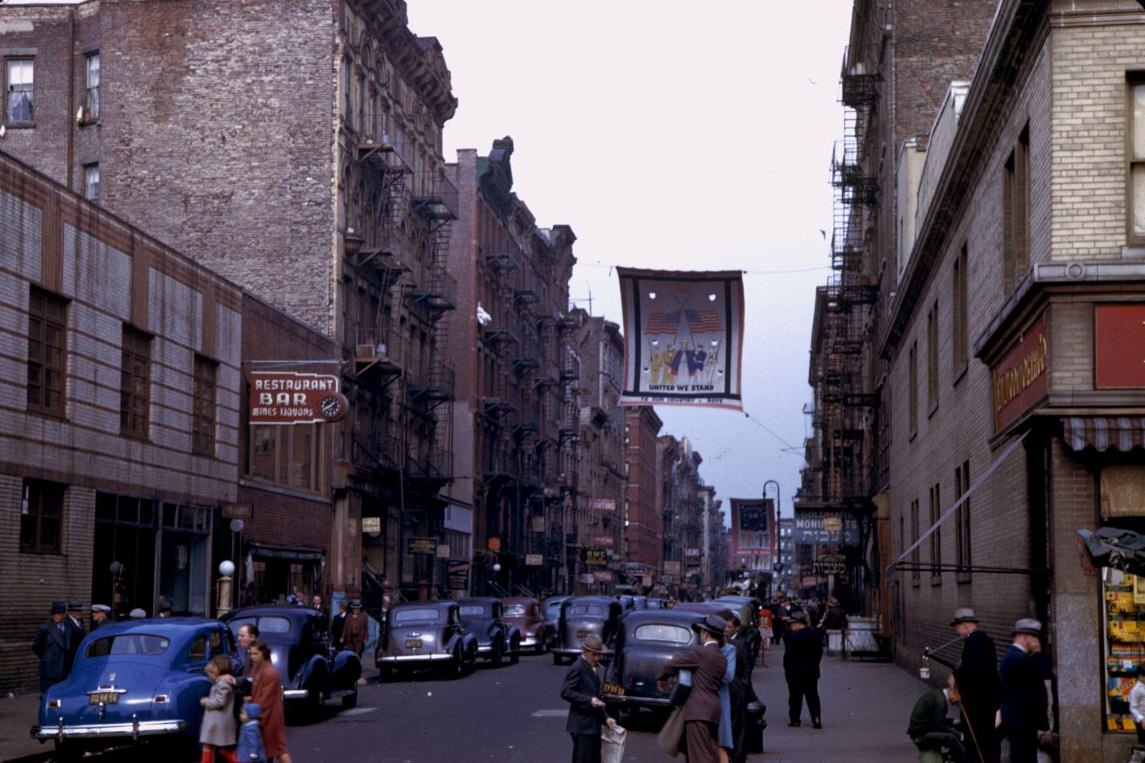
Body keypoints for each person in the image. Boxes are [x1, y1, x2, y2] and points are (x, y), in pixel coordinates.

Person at [658, 614, 728, 763]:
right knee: (705, 751)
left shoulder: (701, 653)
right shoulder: (722, 658)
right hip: (713, 709)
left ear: (705, 633)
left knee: (700, 757)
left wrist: (662, 677)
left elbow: (673, 663)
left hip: (697, 711)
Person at [950, 608, 1000, 763]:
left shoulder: (975, 641)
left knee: (978, 742)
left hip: (978, 705)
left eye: (957, 627)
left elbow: (976, 670)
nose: (957, 632)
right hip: (984, 703)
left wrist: (957, 677)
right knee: (985, 741)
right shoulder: (981, 640)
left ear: (964, 625)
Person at [998, 619, 1051, 763]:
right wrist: (1038, 651)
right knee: (1024, 758)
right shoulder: (1020, 659)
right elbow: (1043, 670)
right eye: (1035, 637)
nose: (1037, 641)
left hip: (1017, 719)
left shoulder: (1011, 656)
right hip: (1023, 721)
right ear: (1025, 637)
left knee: (1020, 757)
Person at [559, 633, 616, 763]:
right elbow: (566, 691)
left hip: (593, 726)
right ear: (585, 652)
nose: (597, 658)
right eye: (594, 654)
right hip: (582, 725)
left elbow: (597, 698)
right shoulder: (578, 667)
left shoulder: (592, 668)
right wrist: (588, 701)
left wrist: (606, 718)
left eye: (599, 654)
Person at [248, 640, 292, 763]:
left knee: (279, 750)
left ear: (263, 653)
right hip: (262, 715)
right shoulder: (257, 668)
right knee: (267, 750)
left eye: (255, 654)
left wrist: (254, 715)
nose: (252, 657)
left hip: (271, 717)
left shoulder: (270, 672)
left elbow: (265, 699)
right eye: (251, 654)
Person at [719, 610, 754, 763]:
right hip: (727, 688)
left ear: (736, 628)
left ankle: (737, 755)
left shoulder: (741, 643)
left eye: (729, 627)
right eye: (725, 627)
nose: (726, 630)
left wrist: (744, 684)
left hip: (738, 689)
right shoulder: (722, 643)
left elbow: (747, 666)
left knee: (738, 724)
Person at [908, 674, 967, 763]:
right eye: (958, 698)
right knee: (951, 739)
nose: (956, 702)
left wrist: (953, 722)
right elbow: (940, 726)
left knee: (951, 735)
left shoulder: (937, 696)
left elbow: (936, 720)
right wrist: (960, 735)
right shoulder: (940, 702)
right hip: (921, 736)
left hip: (920, 733)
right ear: (953, 691)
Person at [783, 609, 823, 728]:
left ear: (798, 623)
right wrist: (815, 664)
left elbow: (789, 656)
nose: (790, 627)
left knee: (795, 697)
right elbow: (819, 653)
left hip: (795, 672)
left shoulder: (793, 638)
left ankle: (795, 719)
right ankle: (816, 719)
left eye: (791, 624)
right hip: (811, 671)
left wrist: (787, 670)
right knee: (813, 696)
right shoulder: (814, 635)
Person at [199, 654, 238, 763]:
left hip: (217, 723)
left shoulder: (223, 684)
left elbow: (220, 702)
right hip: (216, 723)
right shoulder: (220, 683)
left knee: (210, 747)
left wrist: (207, 701)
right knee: (215, 748)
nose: (209, 677)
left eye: (210, 674)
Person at [32, 601, 70, 693]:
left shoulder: (68, 627)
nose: (56, 616)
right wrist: (47, 657)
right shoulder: (45, 629)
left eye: (59, 614)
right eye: (54, 614)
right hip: (49, 670)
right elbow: (36, 647)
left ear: (64, 615)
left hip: (64, 670)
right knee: (47, 696)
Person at [64, 600, 86, 676]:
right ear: (72, 612)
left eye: (81, 611)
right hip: (70, 659)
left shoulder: (80, 622)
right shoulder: (67, 623)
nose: (81, 613)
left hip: (79, 657)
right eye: (78, 611)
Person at [1129, 664, 1145, 744]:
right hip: (1142, 723)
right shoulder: (1135, 690)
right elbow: (1133, 707)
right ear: (1140, 676)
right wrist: (1141, 719)